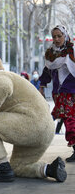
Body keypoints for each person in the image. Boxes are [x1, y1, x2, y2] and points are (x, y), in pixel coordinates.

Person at [0, 52, 67, 183]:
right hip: (46, 130)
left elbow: (3, 86)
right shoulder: (13, 78)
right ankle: (50, 169)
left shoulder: (0, 76)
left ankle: (2, 170)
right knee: (18, 167)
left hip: (31, 124)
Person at [39, 25, 75, 163]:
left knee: (70, 120)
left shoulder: (72, 51)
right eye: (54, 36)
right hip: (58, 94)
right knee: (68, 120)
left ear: (65, 35)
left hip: (71, 92)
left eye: (59, 36)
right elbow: (47, 71)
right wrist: (42, 86)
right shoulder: (50, 54)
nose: (57, 39)